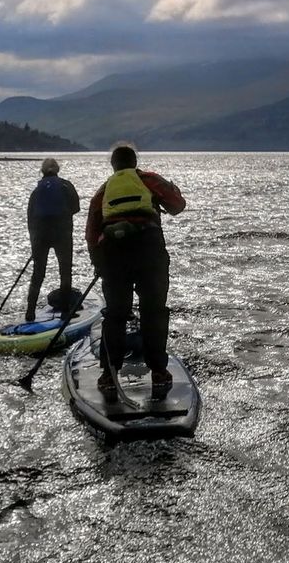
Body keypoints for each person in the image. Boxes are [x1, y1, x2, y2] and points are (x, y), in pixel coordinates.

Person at [86, 143, 186, 401]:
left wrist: (99, 263)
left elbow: (91, 232)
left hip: (113, 254)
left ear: (113, 166)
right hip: (149, 250)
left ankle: (109, 375)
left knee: (116, 314)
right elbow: (177, 205)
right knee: (154, 310)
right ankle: (159, 372)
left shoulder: (102, 192)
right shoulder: (149, 180)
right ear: (134, 163)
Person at [25, 157, 81, 321]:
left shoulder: (37, 191)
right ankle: (65, 311)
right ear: (57, 170)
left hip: (40, 235)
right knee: (65, 271)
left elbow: (30, 215)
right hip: (62, 233)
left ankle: (30, 312)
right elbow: (76, 208)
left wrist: (34, 241)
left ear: (42, 171)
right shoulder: (65, 185)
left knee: (38, 273)